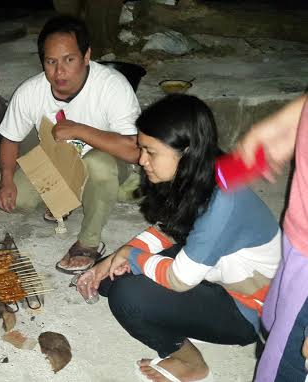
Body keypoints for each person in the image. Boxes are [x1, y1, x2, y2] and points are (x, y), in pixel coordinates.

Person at [79, 94, 281, 381]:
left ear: (185, 152)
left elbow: (179, 279)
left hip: (248, 309)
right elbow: (169, 228)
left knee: (128, 296)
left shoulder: (222, 200)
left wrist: (132, 257)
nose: (141, 160)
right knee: (110, 279)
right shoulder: (197, 174)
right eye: (141, 149)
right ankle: (185, 319)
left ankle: (190, 363)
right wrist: (117, 255)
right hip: (214, 275)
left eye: (150, 152)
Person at [0, 15, 141, 273]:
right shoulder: (30, 91)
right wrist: (6, 179)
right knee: (19, 200)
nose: (59, 72)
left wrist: (79, 130)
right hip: (61, 162)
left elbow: (133, 150)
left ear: (86, 56)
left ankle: (89, 242)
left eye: (69, 60)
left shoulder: (112, 86)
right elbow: (10, 138)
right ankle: (79, 196)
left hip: (109, 161)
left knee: (98, 164)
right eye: (51, 62)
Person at [236, 94, 308, 381]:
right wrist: (290, 120)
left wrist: (133, 257)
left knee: (285, 364)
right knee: (273, 327)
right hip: (298, 235)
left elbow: (183, 275)